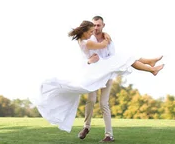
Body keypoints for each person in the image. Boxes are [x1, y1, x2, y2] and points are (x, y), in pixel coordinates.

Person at [32, 19, 164, 134]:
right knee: (125, 58)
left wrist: (104, 34)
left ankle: (150, 65)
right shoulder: (87, 42)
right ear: (84, 31)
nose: (92, 33)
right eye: (90, 31)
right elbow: (103, 45)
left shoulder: (84, 39)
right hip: (95, 70)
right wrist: (107, 37)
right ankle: (151, 69)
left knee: (125, 58)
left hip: (98, 66)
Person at [79, 16, 163, 142]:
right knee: (91, 100)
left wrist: (107, 42)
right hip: (94, 74)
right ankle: (86, 127)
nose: (96, 28)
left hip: (106, 73)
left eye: (98, 25)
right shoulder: (90, 38)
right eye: (94, 25)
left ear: (103, 25)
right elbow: (94, 46)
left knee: (103, 103)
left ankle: (109, 135)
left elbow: (112, 55)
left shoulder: (108, 39)